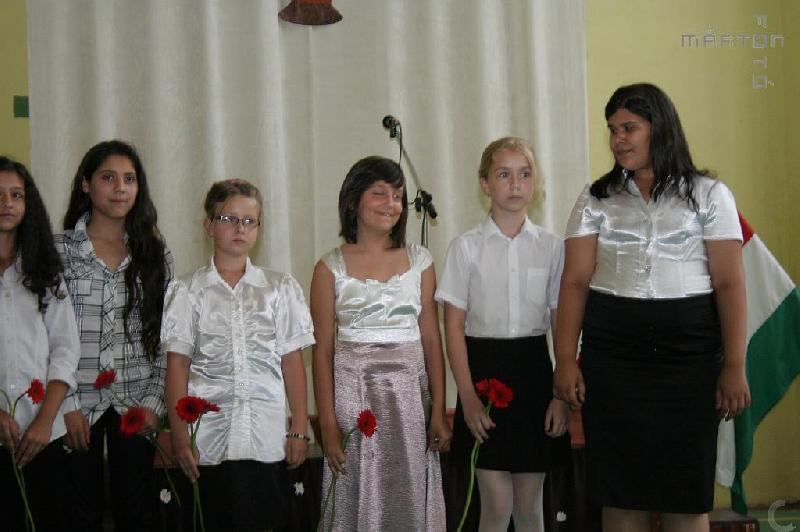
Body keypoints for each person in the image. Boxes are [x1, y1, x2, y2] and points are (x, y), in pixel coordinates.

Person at [553, 83, 751, 532]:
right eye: (612, 130)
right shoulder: (595, 198)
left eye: (629, 128)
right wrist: (565, 359)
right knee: (620, 493)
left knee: (686, 495)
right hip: (613, 359)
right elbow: (575, 282)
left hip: (690, 359)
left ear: (659, 128)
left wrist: (735, 365)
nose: (618, 139)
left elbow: (729, 283)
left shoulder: (709, 194)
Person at [162, 179, 313, 532]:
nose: (240, 228)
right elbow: (177, 365)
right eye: (229, 219)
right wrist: (180, 437)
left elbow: (292, 362)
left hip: (267, 438)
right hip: (207, 440)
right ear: (209, 225)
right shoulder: (187, 290)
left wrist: (299, 429)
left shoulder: (280, 288)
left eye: (249, 221)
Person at [436, 137, 570, 532]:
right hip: (482, 377)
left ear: (535, 182)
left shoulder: (552, 247)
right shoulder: (465, 248)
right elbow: (453, 327)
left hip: (534, 376)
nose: (515, 184)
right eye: (504, 174)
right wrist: (467, 397)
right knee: (496, 506)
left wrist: (560, 396)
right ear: (485, 183)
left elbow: (561, 323)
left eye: (524, 174)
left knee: (530, 506)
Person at [311, 156, 450, 531]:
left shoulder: (420, 261)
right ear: (353, 200)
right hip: (354, 397)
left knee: (407, 493)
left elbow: (431, 340)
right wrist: (327, 424)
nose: (391, 204)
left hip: (410, 401)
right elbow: (322, 352)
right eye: (380, 193)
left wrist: (439, 408)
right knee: (359, 490)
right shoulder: (329, 268)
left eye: (398, 196)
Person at [56, 140, 173, 531]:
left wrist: (154, 404)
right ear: (86, 184)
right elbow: (45, 336)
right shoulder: (58, 252)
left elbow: (167, 338)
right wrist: (64, 404)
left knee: (138, 515)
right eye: (108, 178)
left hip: (134, 404)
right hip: (75, 406)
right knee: (76, 515)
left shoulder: (155, 255)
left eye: (129, 179)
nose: (120, 188)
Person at [0, 157, 80, 532]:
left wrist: (44, 421)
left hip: (43, 435)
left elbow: (65, 349)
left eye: (16, 195)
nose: (7, 203)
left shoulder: (45, 271)